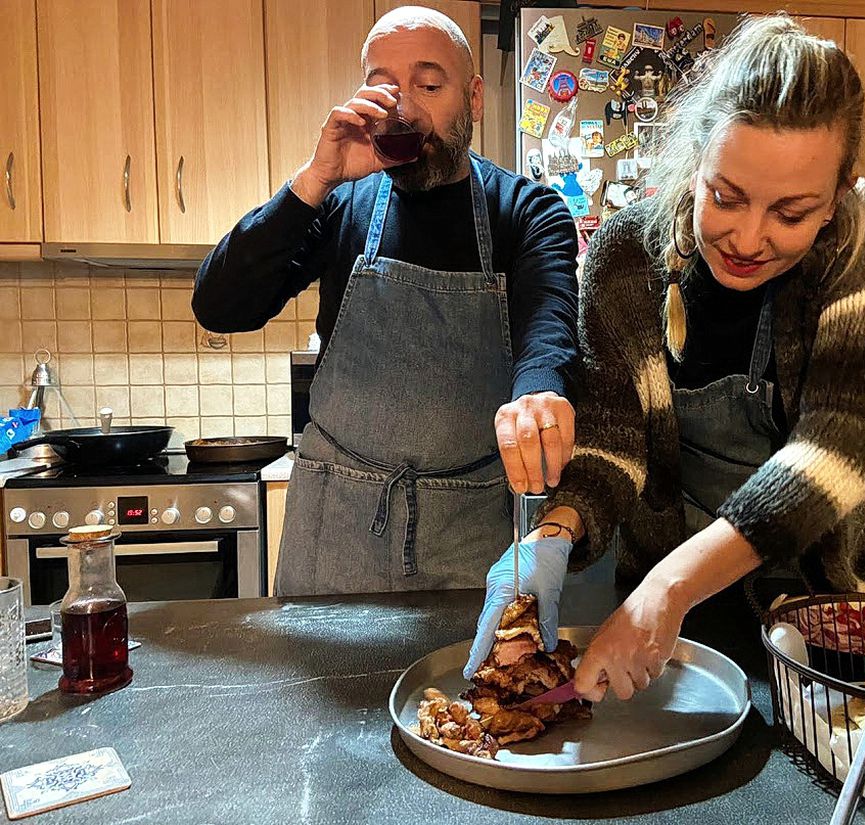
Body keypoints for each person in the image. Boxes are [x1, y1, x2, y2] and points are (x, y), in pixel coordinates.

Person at [464, 15, 865, 699]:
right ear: (695, 160)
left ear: (838, 195)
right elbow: (614, 443)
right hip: (667, 620)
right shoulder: (623, 257)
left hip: (826, 617)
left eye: (791, 213)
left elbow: (837, 450)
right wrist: (553, 533)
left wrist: (671, 583)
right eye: (725, 197)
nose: (749, 237)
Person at [193, 7, 579, 596]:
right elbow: (221, 307)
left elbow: (548, 333)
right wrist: (314, 180)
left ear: (473, 98)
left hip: (472, 532)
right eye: (384, 88)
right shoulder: (338, 201)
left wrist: (538, 398)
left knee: (472, 687)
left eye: (428, 86)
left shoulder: (526, 212)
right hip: (335, 527)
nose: (405, 108)